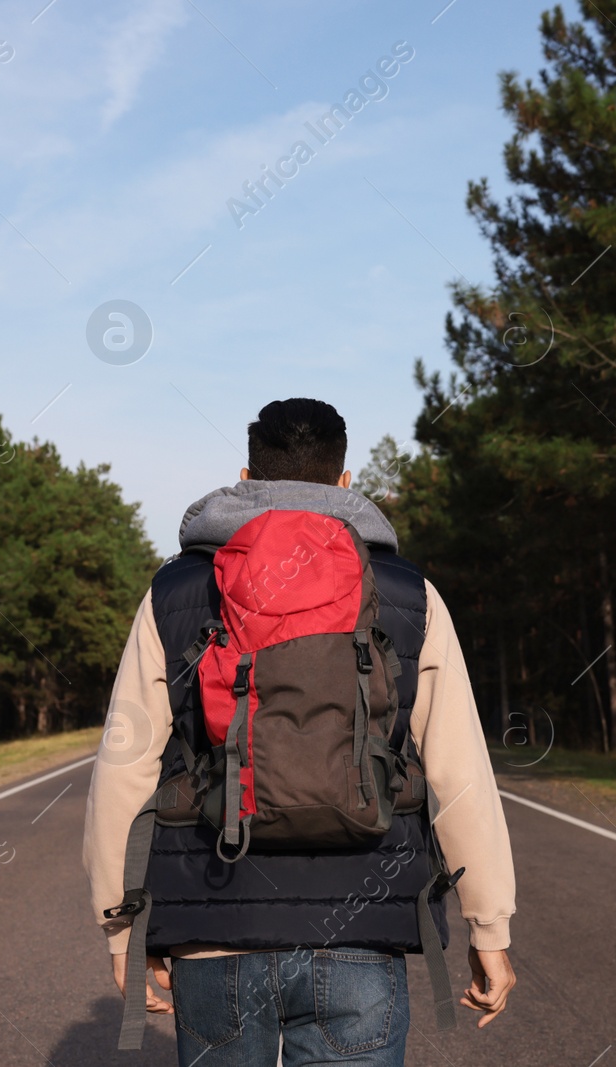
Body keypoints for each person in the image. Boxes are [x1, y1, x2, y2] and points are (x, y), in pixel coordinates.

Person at [83, 398, 516, 1065]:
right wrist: (489, 923)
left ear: (245, 474)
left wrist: (123, 931)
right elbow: (458, 770)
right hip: (362, 929)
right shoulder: (408, 592)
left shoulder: (175, 592)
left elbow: (127, 765)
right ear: (345, 484)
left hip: (213, 921)